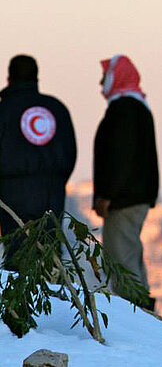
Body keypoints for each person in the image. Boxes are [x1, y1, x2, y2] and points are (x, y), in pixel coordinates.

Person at [93, 55, 159, 310]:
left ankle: (136, 315)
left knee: (121, 260)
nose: (101, 83)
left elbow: (120, 156)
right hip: (134, 196)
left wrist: (107, 195)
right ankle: (142, 313)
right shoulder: (137, 107)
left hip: (124, 199)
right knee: (130, 254)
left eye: (105, 76)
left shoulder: (124, 110)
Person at [0, 55, 77, 267]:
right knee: (50, 252)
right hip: (51, 193)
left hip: (12, 194)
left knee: (17, 253)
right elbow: (69, 153)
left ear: (9, 78)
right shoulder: (56, 108)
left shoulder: (4, 110)